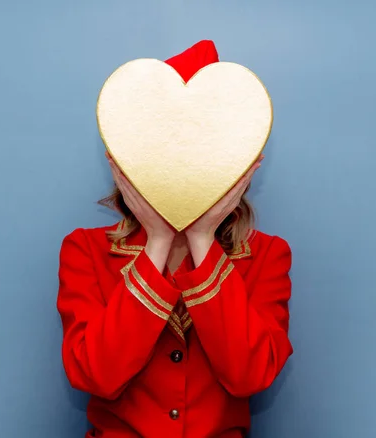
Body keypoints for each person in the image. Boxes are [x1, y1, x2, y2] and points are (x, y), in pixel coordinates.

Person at [57, 40, 293, 438]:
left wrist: (202, 237)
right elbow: (95, 375)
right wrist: (157, 242)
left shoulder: (269, 255)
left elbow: (250, 377)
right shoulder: (85, 250)